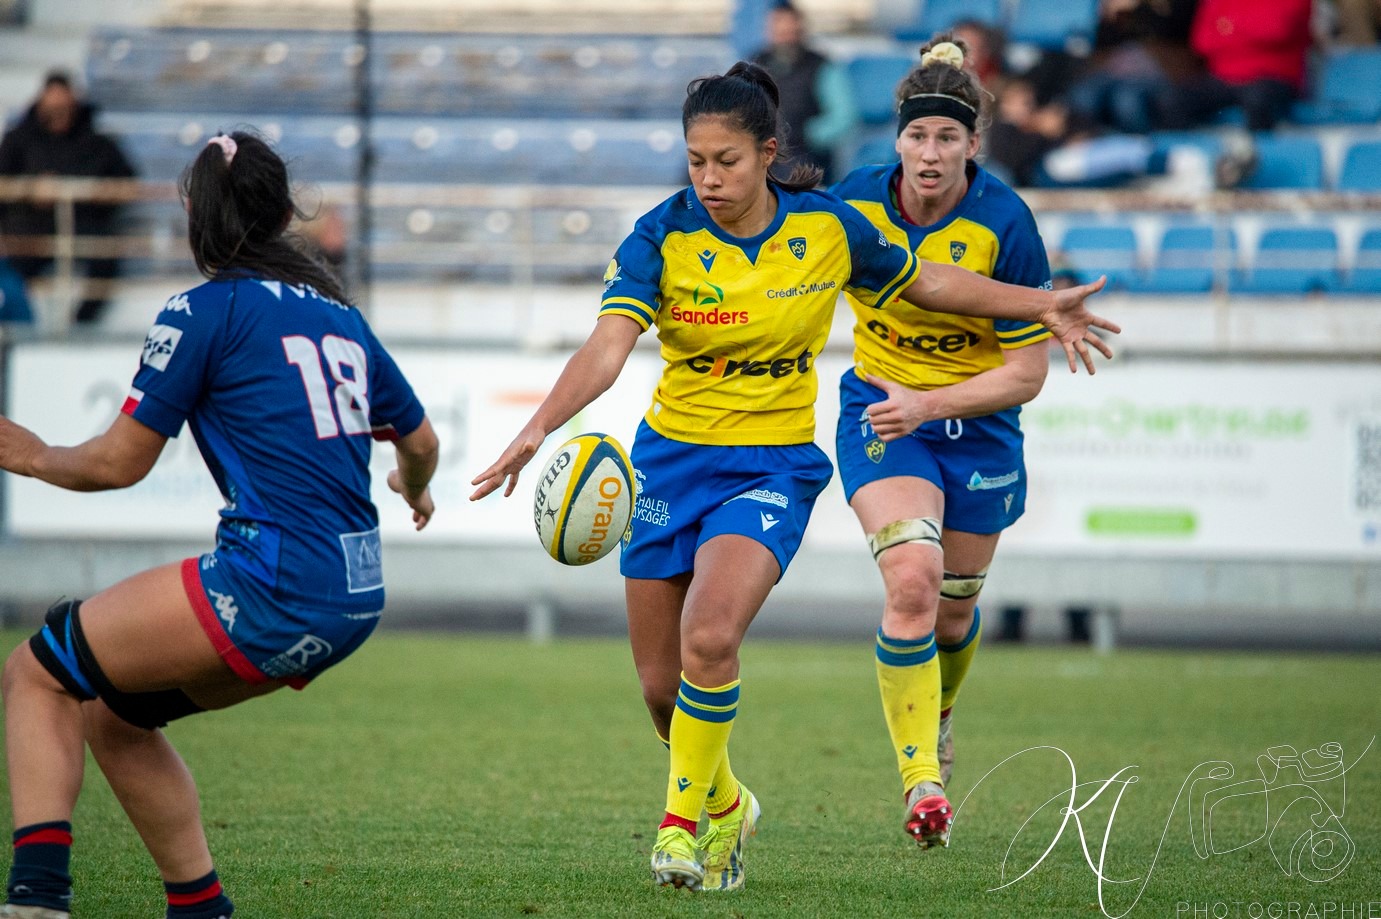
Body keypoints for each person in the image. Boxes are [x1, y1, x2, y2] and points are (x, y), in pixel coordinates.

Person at [470, 61, 1116, 893]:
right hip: (669, 463)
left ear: (767, 153)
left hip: (772, 467)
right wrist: (537, 427)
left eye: (726, 161)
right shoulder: (659, 236)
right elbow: (606, 346)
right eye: (696, 160)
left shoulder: (826, 227)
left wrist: (1037, 304)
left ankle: (679, 829)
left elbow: (927, 281)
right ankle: (729, 803)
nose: (708, 178)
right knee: (661, 690)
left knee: (712, 634)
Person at [0, 131, 438, 919]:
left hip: (273, 582)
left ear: (197, 218)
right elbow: (422, 442)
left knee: (34, 674)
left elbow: (115, 464)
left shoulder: (201, 311)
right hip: (354, 596)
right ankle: (199, 907)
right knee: (115, 713)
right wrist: (414, 487)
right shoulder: (341, 316)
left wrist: (31, 454)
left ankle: (36, 901)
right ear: (279, 214)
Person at [829, 35, 1080, 849]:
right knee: (912, 577)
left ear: (974, 143)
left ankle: (936, 710)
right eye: (915, 136)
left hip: (974, 426)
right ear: (894, 139)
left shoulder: (1005, 220)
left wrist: (929, 401)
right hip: (881, 414)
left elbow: (1024, 375)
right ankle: (922, 783)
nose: (928, 154)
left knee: (949, 612)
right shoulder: (855, 204)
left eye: (946, 138)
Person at [0, 71, 136, 324]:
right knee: (10, 274)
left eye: (64, 108)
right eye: (53, 109)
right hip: (30, 231)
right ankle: (21, 326)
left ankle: (80, 326)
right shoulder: (18, 141)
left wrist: (93, 193)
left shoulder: (97, 143)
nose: (58, 115)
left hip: (84, 227)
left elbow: (127, 182)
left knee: (106, 258)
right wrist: (30, 190)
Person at [750, 0, 859, 182]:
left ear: (800, 27)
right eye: (777, 26)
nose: (784, 33)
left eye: (789, 26)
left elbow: (844, 116)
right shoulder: (754, 63)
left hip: (803, 155)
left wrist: (808, 135)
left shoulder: (821, 66)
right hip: (760, 150)